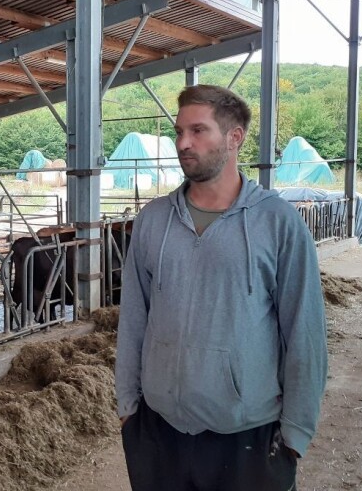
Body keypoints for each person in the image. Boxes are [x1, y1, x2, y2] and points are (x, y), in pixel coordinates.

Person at [115, 84, 327, 491]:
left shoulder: (277, 223)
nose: (183, 143)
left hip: (248, 436)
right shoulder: (152, 221)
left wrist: (295, 436)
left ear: (234, 138)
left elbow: (305, 332)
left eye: (198, 131)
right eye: (179, 132)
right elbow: (133, 320)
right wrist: (129, 409)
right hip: (159, 433)